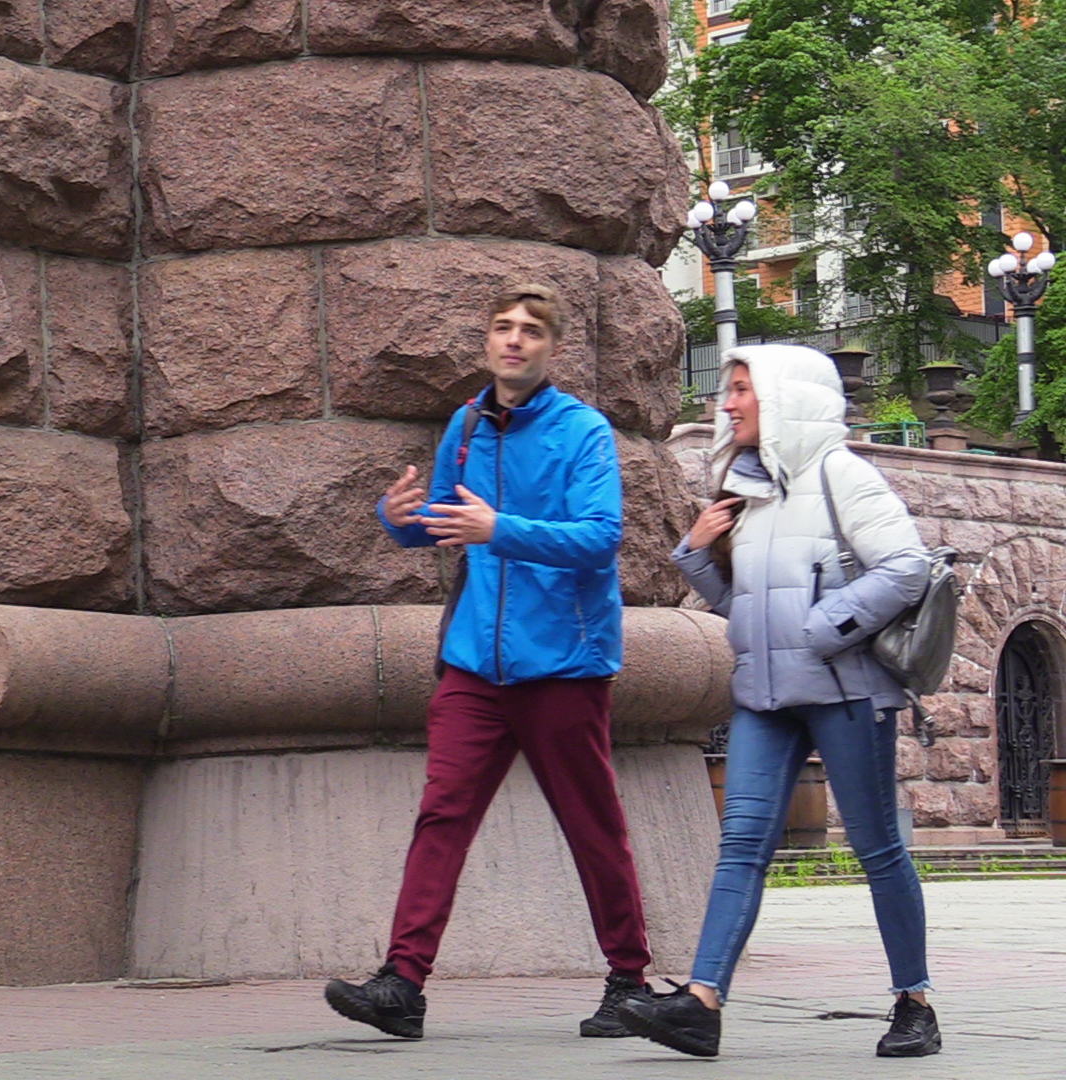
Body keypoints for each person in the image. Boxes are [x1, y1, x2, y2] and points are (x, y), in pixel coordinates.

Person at [324, 284, 658, 1041]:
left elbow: (601, 537)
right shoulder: (466, 424)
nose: (514, 341)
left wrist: (499, 527)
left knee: (591, 824)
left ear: (552, 349)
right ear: (487, 341)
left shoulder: (584, 432)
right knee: (442, 815)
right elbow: (445, 523)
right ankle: (401, 984)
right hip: (475, 662)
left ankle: (629, 979)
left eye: (531, 331)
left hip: (564, 664)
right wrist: (399, 519)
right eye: (503, 328)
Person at [617, 344, 939, 1058]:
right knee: (740, 848)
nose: (726, 404)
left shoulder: (841, 474)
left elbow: (907, 565)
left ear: (785, 396)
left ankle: (914, 1002)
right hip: (764, 696)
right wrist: (696, 557)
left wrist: (827, 626)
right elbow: (748, 608)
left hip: (844, 690)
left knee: (878, 848)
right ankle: (701, 1004)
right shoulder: (748, 488)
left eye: (740, 390)